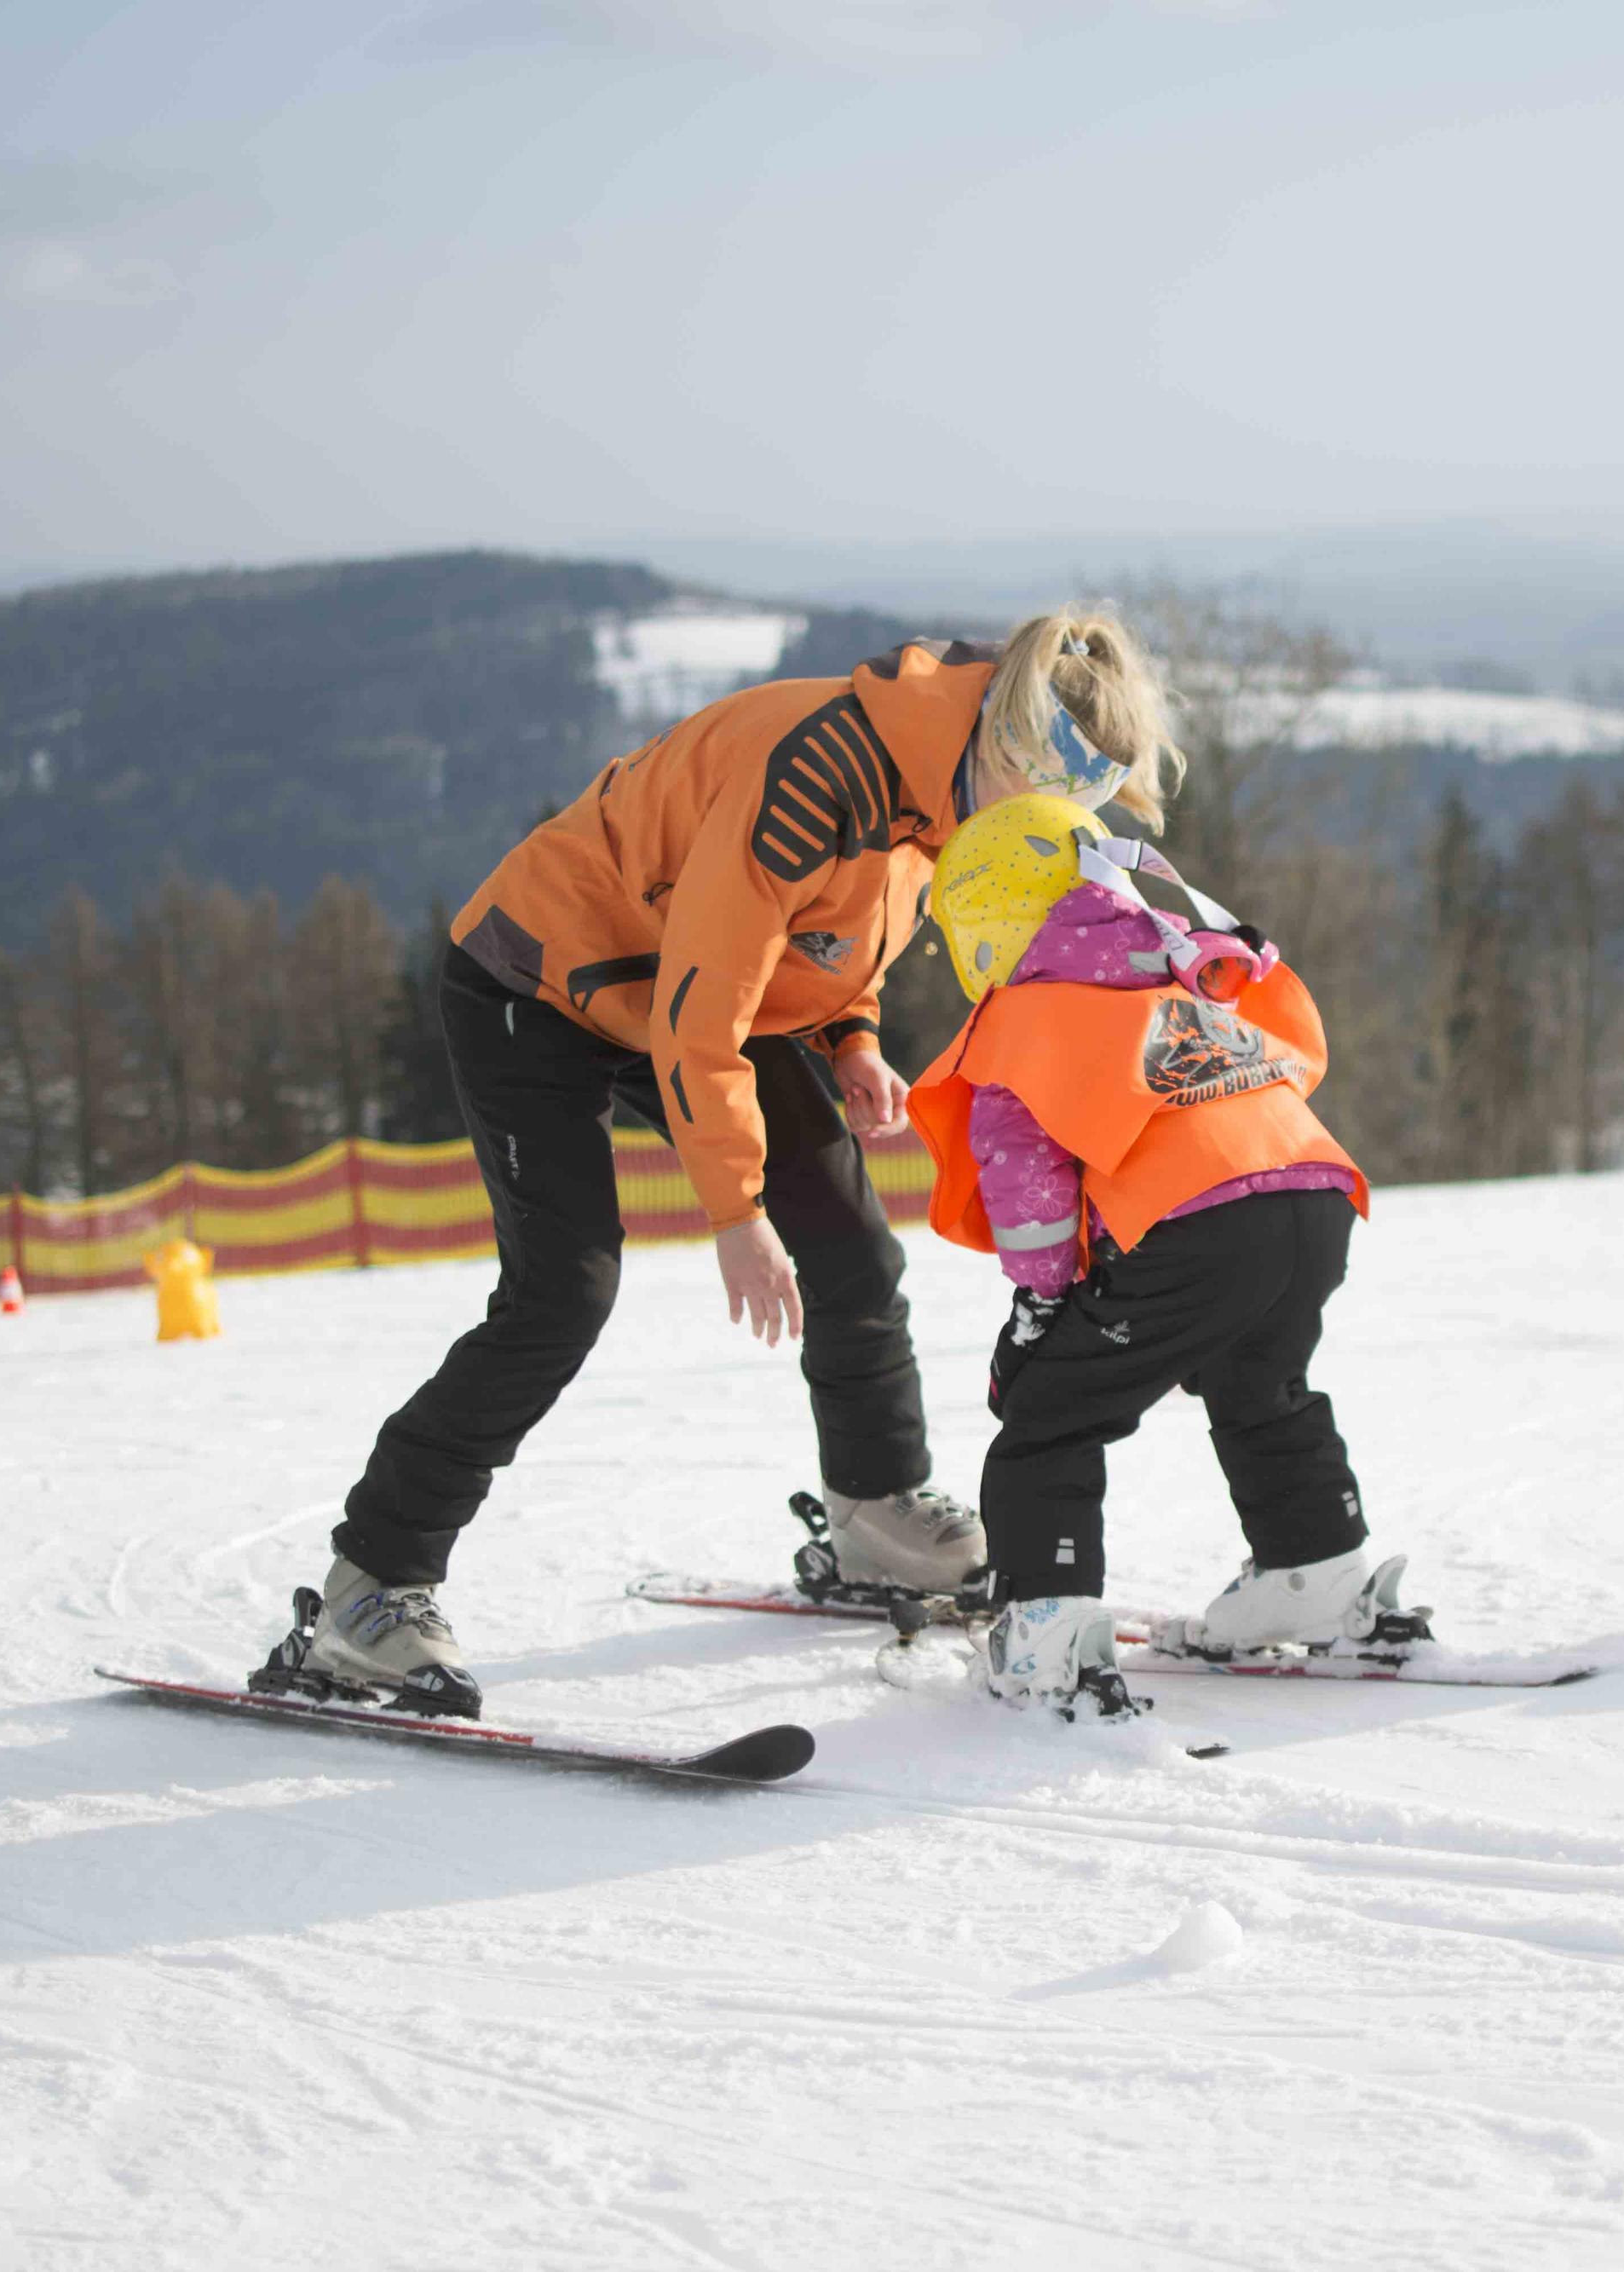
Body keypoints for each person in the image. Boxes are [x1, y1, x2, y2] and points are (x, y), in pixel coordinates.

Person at [280, 613, 1183, 1716]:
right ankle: (371, 1585)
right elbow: (703, 1002)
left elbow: (842, 930)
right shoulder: (823, 771)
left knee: (854, 1243)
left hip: (700, 994)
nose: (1050, 827)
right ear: (1008, 751)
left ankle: (876, 1516)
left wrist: (850, 1037)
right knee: (561, 1292)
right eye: (1049, 801)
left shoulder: (948, 780)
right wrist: (734, 1207)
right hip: (545, 979)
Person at [905, 795, 1405, 1721]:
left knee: (1051, 1413)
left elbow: (1030, 1186)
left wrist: (1042, 1307)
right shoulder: (1175, 965)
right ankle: (1317, 1575)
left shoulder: (1028, 1012)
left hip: (1201, 1225)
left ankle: (1041, 1636)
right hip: (1314, 1192)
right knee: (1261, 1386)